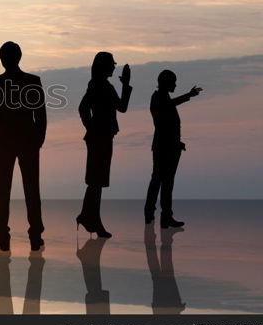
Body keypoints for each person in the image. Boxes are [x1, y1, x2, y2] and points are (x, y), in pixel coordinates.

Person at [0, 42, 47, 252]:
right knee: (28, 189)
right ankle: (30, 234)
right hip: (18, 142)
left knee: (6, 189)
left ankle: (7, 234)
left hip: (16, 142)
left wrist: (38, 139)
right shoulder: (30, 81)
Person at [76, 52, 132, 238]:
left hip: (105, 136)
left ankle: (86, 216)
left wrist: (125, 84)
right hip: (98, 137)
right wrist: (91, 126)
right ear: (104, 66)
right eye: (112, 64)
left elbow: (122, 107)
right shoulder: (97, 85)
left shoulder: (107, 86)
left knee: (96, 181)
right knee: (96, 181)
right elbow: (83, 108)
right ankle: (92, 220)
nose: (114, 67)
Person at [144, 70, 202, 228]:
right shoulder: (159, 98)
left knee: (165, 181)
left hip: (170, 146)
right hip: (165, 147)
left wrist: (178, 143)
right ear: (166, 83)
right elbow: (166, 118)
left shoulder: (163, 98)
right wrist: (188, 96)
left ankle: (164, 216)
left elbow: (169, 125)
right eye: (173, 82)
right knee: (160, 180)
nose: (175, 85)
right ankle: (152, 213)